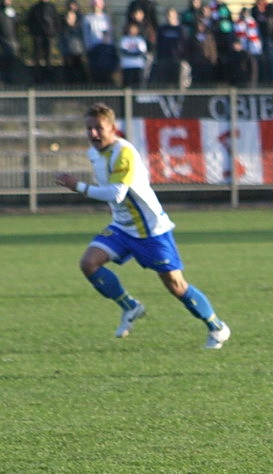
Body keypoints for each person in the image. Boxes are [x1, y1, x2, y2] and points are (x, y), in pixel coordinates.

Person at [55, 103, 231, 350]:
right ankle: (130, 306)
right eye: (89, 129)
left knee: (176, 285)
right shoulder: (94, 153)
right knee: (88, 263)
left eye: (99, 128)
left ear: (112, 128)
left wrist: (78, 186)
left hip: (151, 231)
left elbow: (117, 194)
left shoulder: (124, 153)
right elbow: (114, 199)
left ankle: (217, 327)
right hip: (122, 228)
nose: (93, 134)